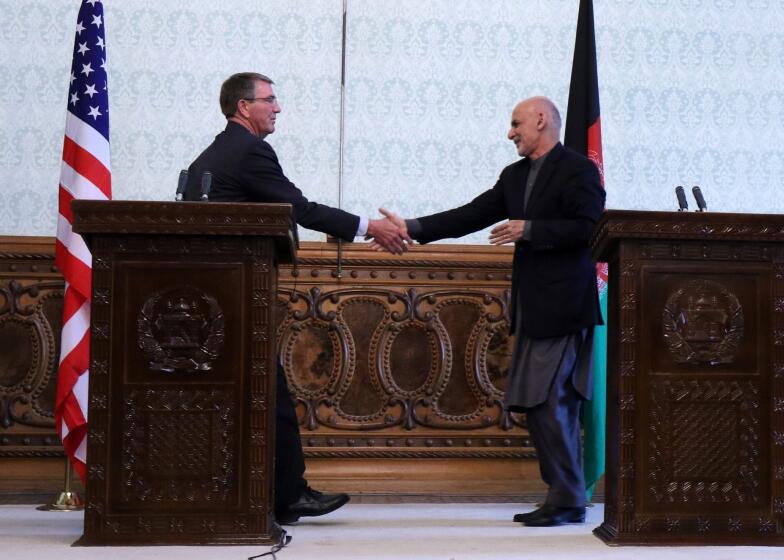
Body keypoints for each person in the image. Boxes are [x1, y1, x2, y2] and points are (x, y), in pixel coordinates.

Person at [184, 72, 410, 524]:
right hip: (235, 298)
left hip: (218, 297)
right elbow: (298, 208)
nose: (278, 107)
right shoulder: (248, 150)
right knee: (272, 395)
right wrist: (371, 226)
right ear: (244, 107)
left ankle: (278, 493)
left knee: (268, 393)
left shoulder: (215, 152)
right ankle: (288, 494)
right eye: (269, 99)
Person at [377, 96, 605, 527]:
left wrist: (531, 229)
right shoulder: (515, 176)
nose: (510, 132)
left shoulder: (577, 169)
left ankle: (569, 498)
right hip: (533, 309)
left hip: (565, 307)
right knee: (538, 403)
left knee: (550, 401)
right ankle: (565, 495)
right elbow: (471, 214)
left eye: (516, 123)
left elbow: (591, 227)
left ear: (541, 120)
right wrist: (412, 228)